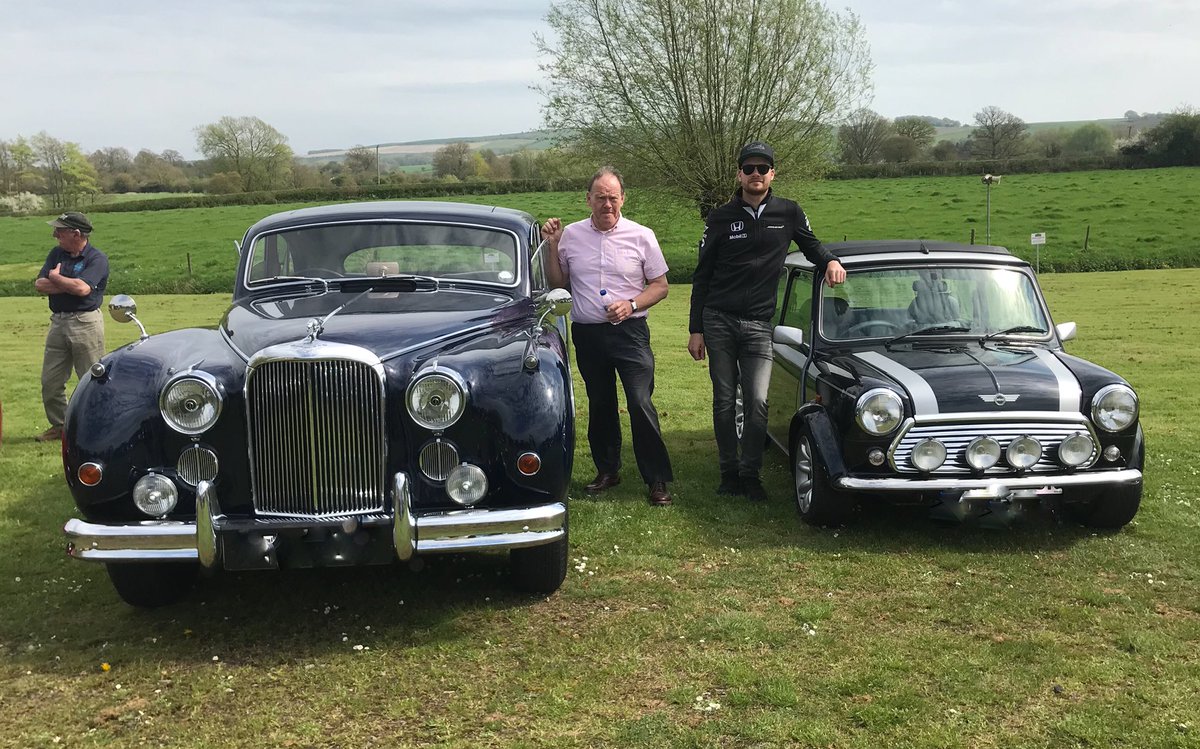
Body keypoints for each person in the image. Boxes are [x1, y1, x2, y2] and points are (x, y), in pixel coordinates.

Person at [687, 141, 846, 501]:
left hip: (759, 325)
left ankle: (751, 474)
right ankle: (729, 474)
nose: (755, 174)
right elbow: (702, 276)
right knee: (725, 399)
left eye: (763, 168)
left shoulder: (789, 212)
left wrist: (831, 262)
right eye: (749, 168)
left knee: (757, 400)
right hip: (719, 321)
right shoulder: (720, 217)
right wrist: (695, 329)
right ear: (739, 174)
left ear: (773, 173)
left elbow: (812, 246)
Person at [540, 168, 675, 506]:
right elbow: (559, 284)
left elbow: (660, 287)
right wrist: (552, 248)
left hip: (630, 334)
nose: (607, 204)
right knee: (600, 405)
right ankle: (607, 470)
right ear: (588, 199)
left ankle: (657, 479)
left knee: (640, 402)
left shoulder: (642, 235)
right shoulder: (570, 235)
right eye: (600, 197)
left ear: (622, 199)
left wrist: (631, 305)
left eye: (613, 197)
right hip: (588, 334)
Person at [33, 211, 109, 442]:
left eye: (60, 230)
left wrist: (56, 278)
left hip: (85, 323)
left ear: (76, 234)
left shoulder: (96, 258)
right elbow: (40, 284)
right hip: (58, 322)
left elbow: (83, 290)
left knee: (91, 379)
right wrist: (68, 283)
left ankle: (96, 430)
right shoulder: (56, 253)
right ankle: (60, 426)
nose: (54, 234)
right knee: (51, 381)